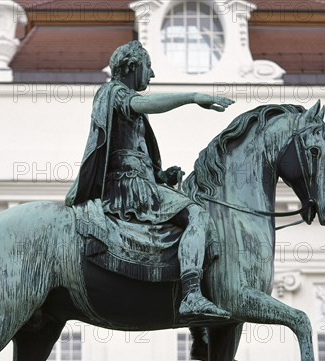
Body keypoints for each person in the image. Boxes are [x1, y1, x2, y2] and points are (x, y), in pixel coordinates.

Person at [66, 40, 233, 321]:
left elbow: (131, 150)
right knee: (198, 216)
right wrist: (192, 96)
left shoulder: (122, 99)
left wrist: (161, 175)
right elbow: (143, 106)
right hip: (127, 186)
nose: (152, 74)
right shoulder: (114, 92)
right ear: (133, 66)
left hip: (143, 182)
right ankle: (191, 294)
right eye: (149, 67)